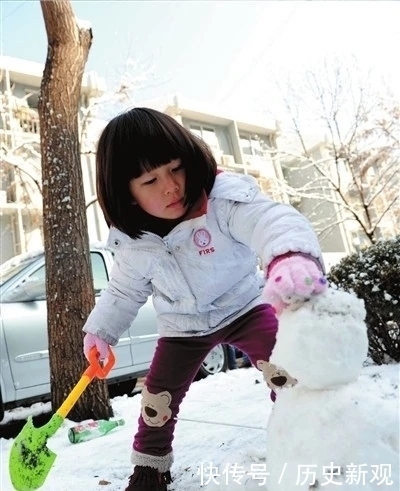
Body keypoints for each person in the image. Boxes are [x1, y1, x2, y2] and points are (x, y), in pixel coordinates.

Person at [82, 107, 328, 491]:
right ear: (125, 194)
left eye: (175, 168)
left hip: (245, 305)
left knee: (288, 368)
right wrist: (101, 331)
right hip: (182, 326)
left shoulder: (221, 200)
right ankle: (150, 469)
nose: (171, 186)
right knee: (156, 401)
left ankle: (309, 435)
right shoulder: (134, 243)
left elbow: (270, 220)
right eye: (150, 180)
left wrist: (289, 255)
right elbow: (124, 291)